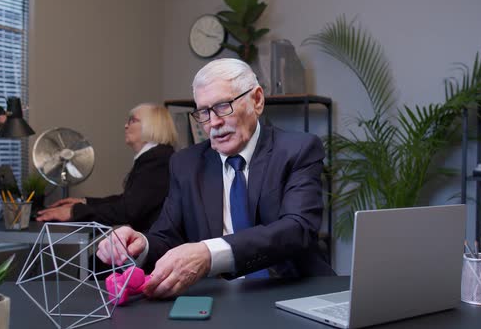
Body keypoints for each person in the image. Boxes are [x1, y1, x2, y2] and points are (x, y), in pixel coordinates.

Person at [97, 58, 334, 299]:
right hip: (219, 297)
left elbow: (297, 229)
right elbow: (166, 237)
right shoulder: (185, 164)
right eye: (204, 112)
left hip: (293, 290)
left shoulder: (298, 149)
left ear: (257, 100)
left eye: (223, 106)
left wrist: (210, 254)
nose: (214, 122)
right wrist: (140, 244)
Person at [37, 103, 177, 232]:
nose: (125, 125)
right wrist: (85, 203)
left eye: (132, 120)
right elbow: (128, 200)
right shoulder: (155, 158)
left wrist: (74, 211)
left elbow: (127, 210)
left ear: (152, 126)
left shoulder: (158, 162)